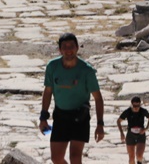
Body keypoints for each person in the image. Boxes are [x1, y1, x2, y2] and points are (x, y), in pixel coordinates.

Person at [39, 33, 105, 164]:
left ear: (77, 48)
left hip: (80, 117)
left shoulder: (87, 71)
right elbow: (48, 92)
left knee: (75, 158)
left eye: (71, 46)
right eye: (65, 47)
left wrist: (100, 124)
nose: (68, 50)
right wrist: (43, 117)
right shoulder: (52, 67)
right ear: (60, 49)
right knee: (56, 158)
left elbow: (98, 98)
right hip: (60, 116)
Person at [117, 96, 149, 164]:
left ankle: (140, 161)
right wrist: (121, 133)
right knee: (131, 158)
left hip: (140, 134)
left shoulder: (143, 111)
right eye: (134, 105)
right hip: (131, 135)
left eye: (137, 105)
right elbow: (118, 121)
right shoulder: (128, 112)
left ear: (140, 104)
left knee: (139, 156)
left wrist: (146, 128)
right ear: (132, 104)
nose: (136, 107)